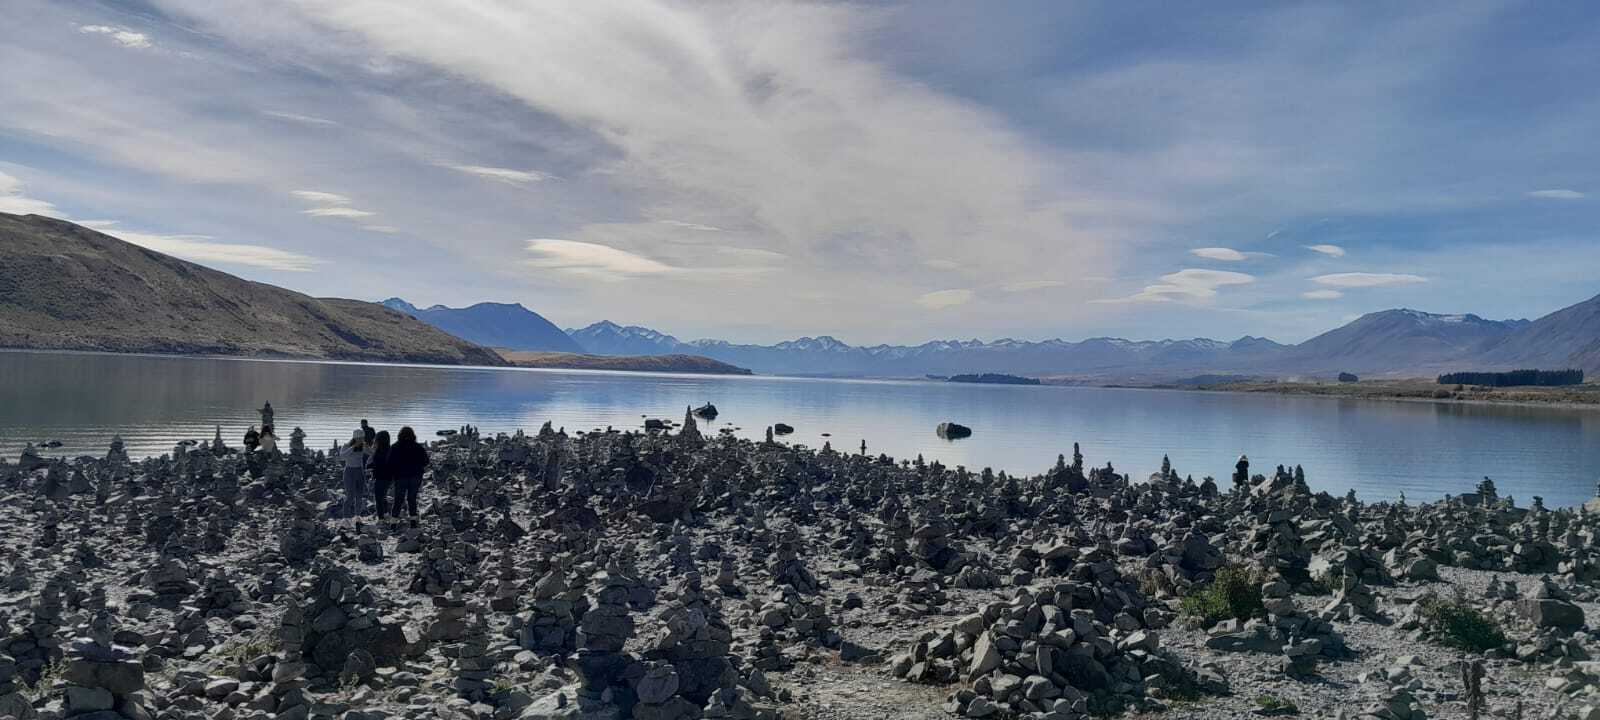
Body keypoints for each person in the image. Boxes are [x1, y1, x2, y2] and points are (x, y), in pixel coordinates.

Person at [388, 426, 430, 526]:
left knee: (398, 499)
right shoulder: (418, 447)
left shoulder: (395, 447)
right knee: (412, 498)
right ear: (413, 435)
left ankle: (393, 521)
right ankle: (413, 520)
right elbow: (426, 461)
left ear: (400, 435)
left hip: (400, 476)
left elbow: (389, 463)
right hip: (415, 476)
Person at [337, 430, 368, 528]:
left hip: (360, 471)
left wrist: (369, 447)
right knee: (350, 496)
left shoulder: (362, 446)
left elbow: (372, 454)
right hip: (349, 471)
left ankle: (357, 516)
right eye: (359, 438)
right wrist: (353, 447)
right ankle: (346, 518)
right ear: (355, 438)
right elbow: (342, 457)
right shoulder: (346, 445)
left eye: (362, 438)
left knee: (359, 495)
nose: (361, 440)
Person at [369, 430, 394, 523]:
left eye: (376, 438)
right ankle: (386, 514)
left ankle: (381, 519)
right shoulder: (390, 449)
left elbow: (376, 464)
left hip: (380, 477)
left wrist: (370, 469)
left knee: (378, 498)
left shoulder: (379, 451)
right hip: (389, 478)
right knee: (383, 496)